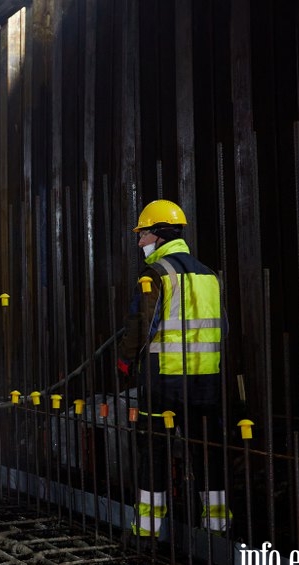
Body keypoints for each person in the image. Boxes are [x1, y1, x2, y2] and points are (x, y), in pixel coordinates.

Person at [117, 199, 229, 540]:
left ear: (160, 234)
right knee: (207, 451)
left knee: (153, 451)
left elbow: (142, 324)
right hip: (206, 381)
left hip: (163, 379)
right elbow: (223, 326)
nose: (140, 242)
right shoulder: (208, 274)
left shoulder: (156, 273)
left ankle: (148, 530)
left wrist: (125, 361)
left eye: (144, 234)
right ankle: (216, 528)